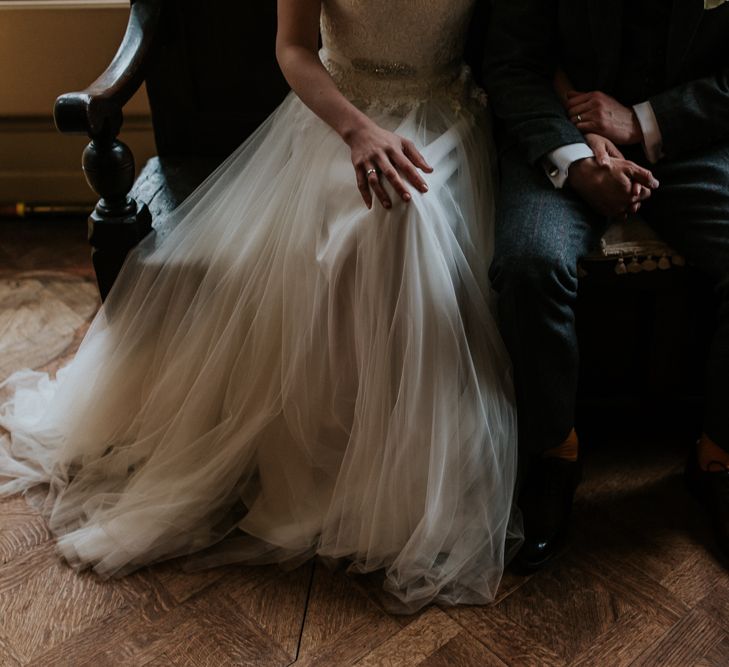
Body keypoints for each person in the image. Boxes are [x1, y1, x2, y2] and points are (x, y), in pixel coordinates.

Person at [0, 0, 521, 612]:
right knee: (377, 221)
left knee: (412, 212)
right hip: (338, 122)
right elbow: (293, 49)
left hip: (445, 118)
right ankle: (332, 472)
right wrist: (358, 131)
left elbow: (529, 38)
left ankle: (410, 490)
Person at [484, 0, 729, 570]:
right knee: (528, 264)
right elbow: (510, 65)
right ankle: (554, 454)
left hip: (693, 147)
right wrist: (576, 162)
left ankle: (717, 456)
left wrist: (643, 120)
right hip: (562, 140)